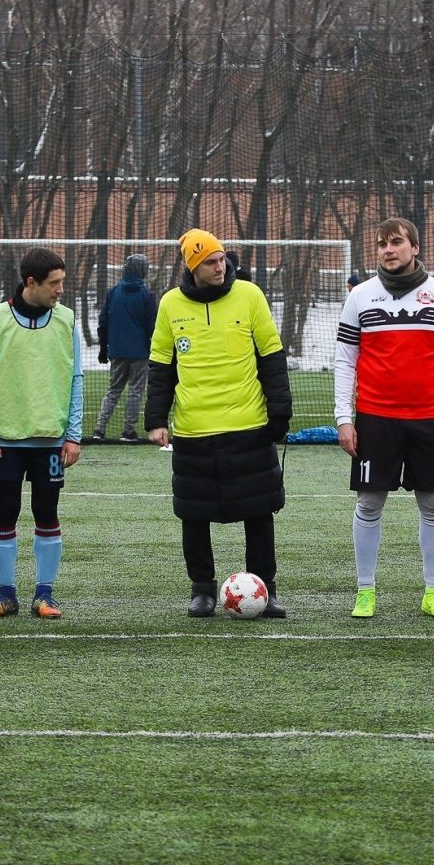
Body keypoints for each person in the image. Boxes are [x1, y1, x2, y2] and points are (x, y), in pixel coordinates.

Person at [147, 230, 292, 617]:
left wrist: (280, 412)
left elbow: (272, 357)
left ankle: (266, 588)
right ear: (192, 266)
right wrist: (156, 419)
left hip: (249, 424)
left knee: (260, 512)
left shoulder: (250, 295)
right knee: (193, 515)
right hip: (194, 429)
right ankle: (202, 590)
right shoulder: (169, 305)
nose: (220, 266)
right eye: (210, 261)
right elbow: (161, 366)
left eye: (221, 258)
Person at [335, 218, 434, 619]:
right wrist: (345, 418)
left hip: (429, 418)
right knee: (369, 503)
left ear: (415, 248)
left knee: (432, 503)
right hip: (375, 418)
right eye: (381, 244)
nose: (387, 250)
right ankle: (365, 591)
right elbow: (345, 362)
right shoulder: (360, 296)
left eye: (396, 242)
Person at [0, 247, 84, 618]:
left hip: (51, 439)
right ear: (30, 283)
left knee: (46, 512)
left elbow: (76, 379)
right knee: (5, 512)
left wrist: (74, 434)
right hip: (5, 440)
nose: (60, 290)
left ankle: (45, 595)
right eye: (54, 283)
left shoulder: (67, 320)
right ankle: (5, 595)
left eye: (62, 282)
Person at [92, 254, 156, 442]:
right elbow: (152, 326)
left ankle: (99, 429)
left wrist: (103, 348)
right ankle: (128, 431)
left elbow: (103, 322)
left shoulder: (113, 292)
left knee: (113, 390)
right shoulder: (147, 295)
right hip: (140, 352)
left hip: (117, 351)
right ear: (143, 271)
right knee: (136, 392)